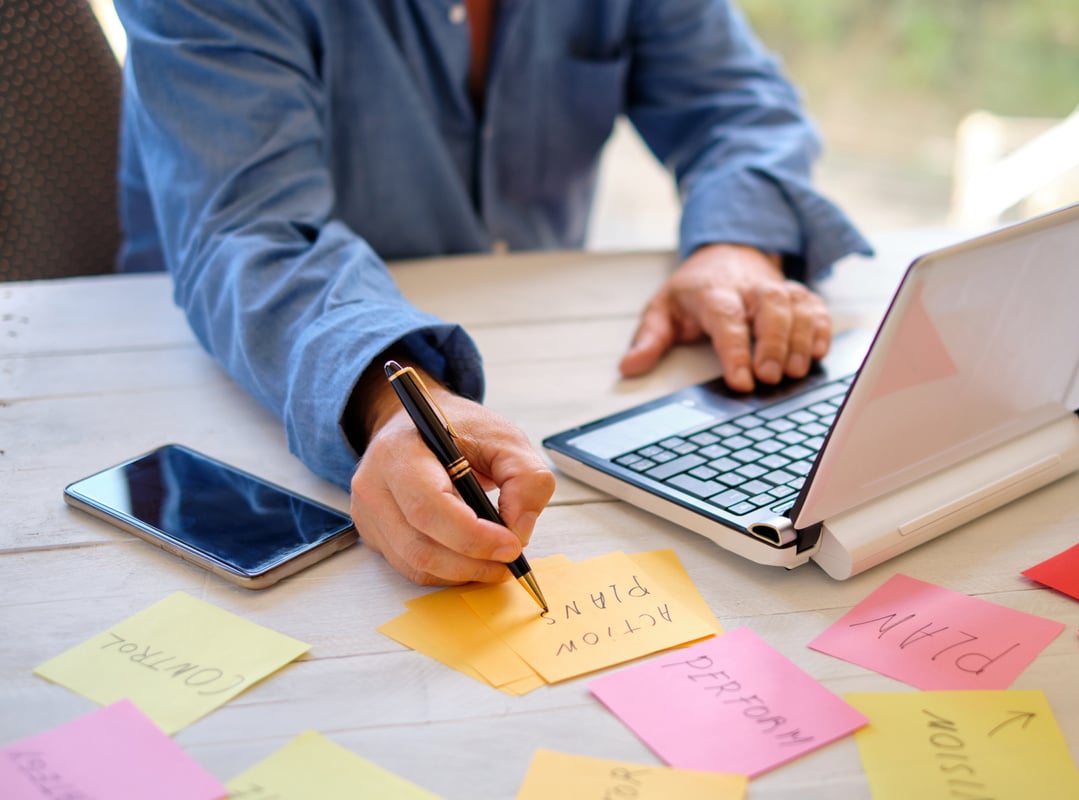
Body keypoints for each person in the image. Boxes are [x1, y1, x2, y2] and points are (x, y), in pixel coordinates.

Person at [115, 0, 871, 587]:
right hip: (203, 392)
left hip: (547, 352)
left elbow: (736, 103)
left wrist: (734, 246)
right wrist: (391, 395)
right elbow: (252, 228)